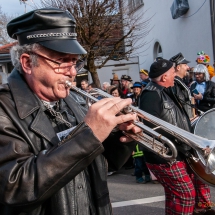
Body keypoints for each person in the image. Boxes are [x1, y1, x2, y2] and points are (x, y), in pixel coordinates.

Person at [0, 8, 140, 215]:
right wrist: (88, 136)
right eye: (62, 61)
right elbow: (14, 187)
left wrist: (120, 137)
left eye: (75, 61)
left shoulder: (74, 100)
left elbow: (103, 164)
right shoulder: (4, 108)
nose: (73, 72)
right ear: (28, 63)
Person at [139, 59, 214, 215]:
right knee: (185, 194)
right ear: (164, 77)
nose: (176, 75)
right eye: (173, 72)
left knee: (176, 194)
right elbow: (153, 128)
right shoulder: (152, 94)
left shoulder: (164, 90)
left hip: (174, 152)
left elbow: (170, 121)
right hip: (165, 155)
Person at [169, 52, 194, 119]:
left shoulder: (179, 82)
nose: (188, 67)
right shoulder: (174, 84)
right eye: (185, 65)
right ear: (178, 67)